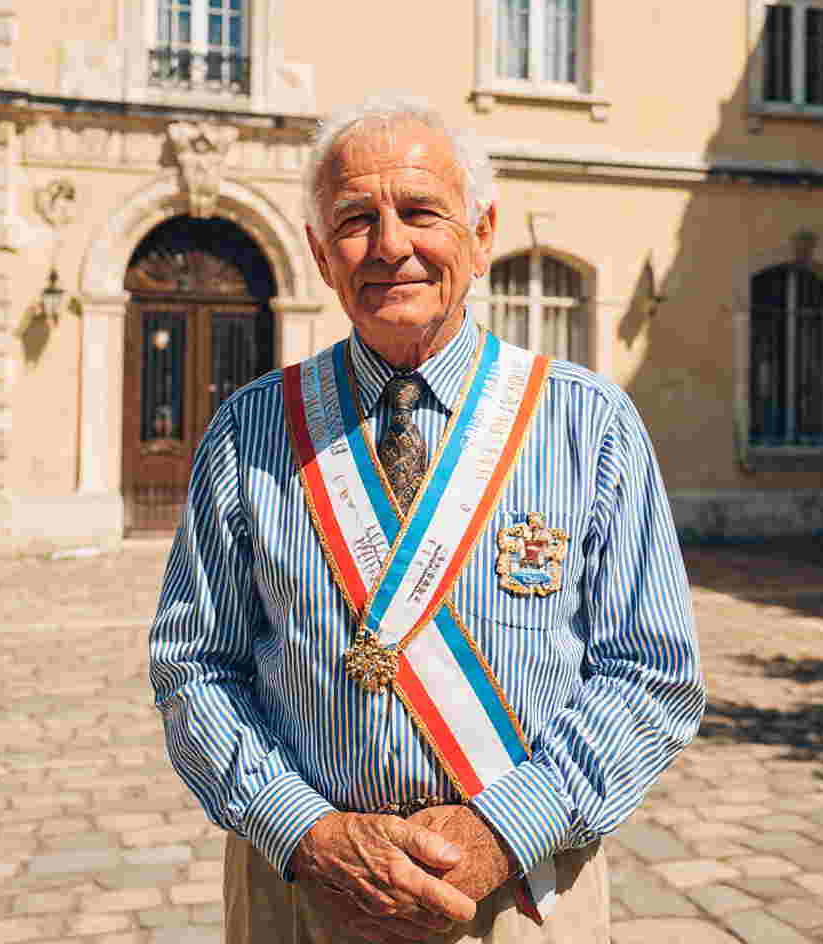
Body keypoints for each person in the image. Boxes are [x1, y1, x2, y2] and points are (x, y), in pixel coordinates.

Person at [150, 95, 705, 944]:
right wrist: (307, 833)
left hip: (522, 896)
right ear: (318, 254)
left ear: (482, 234)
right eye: (355, 220)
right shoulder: (251, 430)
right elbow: (195, 668)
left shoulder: (587, 423)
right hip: (302, 894)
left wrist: (502, 831)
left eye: (420, 212)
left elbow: (651, 673)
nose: (391, 246)